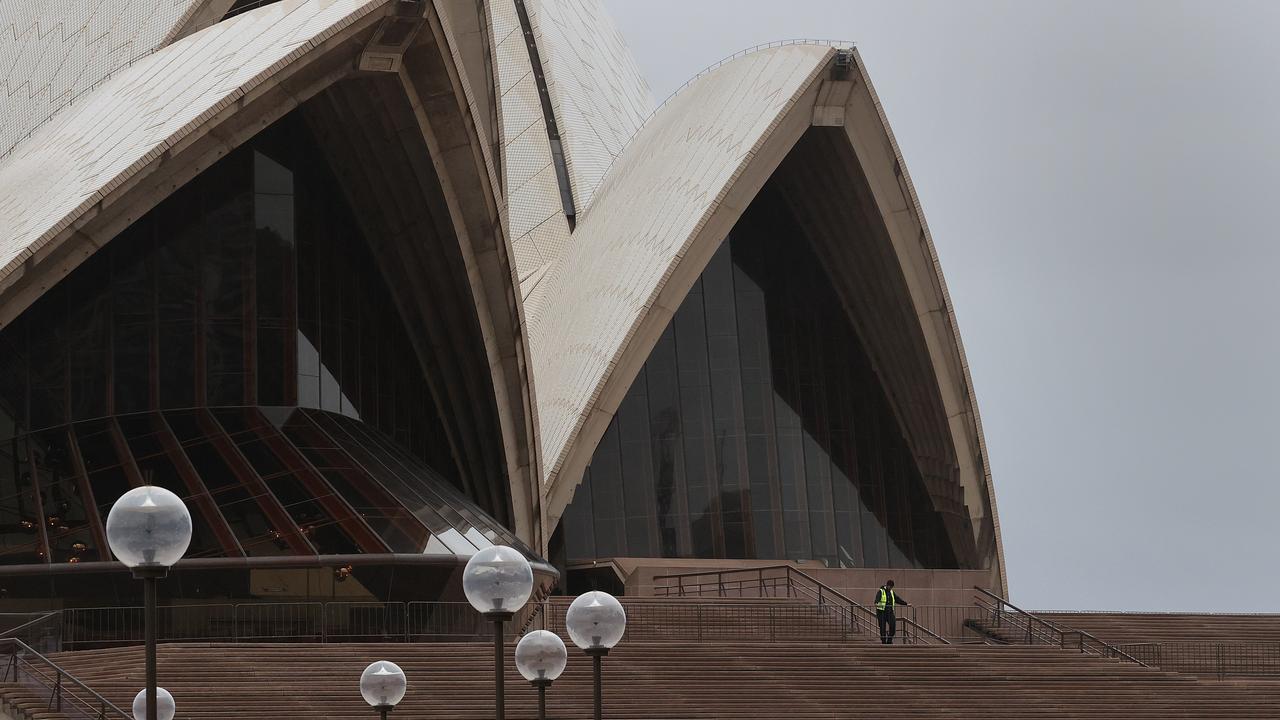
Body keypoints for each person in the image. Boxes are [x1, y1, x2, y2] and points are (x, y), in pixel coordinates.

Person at [874, 580, 909, 644]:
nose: (890, 588)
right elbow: (877, 599)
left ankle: (889, 640)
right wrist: (876, 603)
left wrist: (906, 604)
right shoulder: (881, 591)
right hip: (881, 612)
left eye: (891, 587)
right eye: (889, 586)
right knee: (882, 628)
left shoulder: (892, 592)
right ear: (887, 585)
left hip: (890, 612)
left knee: (893, 626)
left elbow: (897, 599)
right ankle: (884, 642)